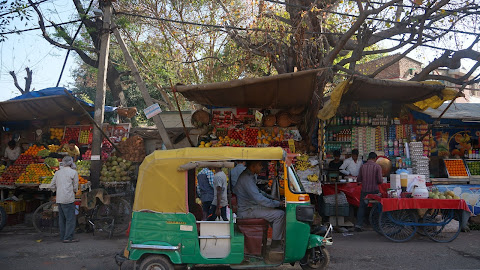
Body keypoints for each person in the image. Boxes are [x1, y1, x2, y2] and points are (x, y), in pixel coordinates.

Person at [233, 160, 285, 252]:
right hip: (247, 211)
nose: (261, 167)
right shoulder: (246, 178)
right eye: (260, 165)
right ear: (253, 166)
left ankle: (279, 239)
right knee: (279, 215)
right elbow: (259, 198)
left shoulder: (250, 176)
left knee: (275, 210)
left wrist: (273, 199)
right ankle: (275, 245)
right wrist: (277, 203)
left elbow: (259, 192)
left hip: (251, 207)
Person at [50, 156, 79, 243]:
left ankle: (63, 236)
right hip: (68, 198)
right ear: (71, 162)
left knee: (62, 219)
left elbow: (52, 185)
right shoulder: (73, 172)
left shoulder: (57, 173)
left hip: (59, 198)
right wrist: (74, 191)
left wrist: (57, 190)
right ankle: (68, 237)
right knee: (70, 219)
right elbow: (76, 187)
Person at [354, 152, 383, 232]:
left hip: (365, 190)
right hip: (374, 190)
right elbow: (380, 180)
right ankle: (377, 224)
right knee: (377, 207)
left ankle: (359, 225)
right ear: (375, 158)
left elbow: (358, 179)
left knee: (362, 207)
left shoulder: (363, 166)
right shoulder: (377, 167)